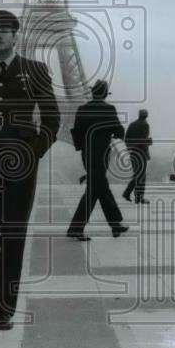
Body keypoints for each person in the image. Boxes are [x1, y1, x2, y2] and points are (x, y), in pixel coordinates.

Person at [0, 10, 59, 331]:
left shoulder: (35, 70)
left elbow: (52, 120)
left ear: (15, 35)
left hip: (21, 164)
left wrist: (33, 155)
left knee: (14, 234)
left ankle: (5, 307)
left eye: (4, 30)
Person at [67, 80, 129, 241]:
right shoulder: (109, 109)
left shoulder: (82, 109)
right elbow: (119, 131)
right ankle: (77, 228)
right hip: (102, 153)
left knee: (98, 187)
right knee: (97, 188)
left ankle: (115, 226)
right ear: (104, 94)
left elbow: (76, 133)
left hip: (87, 154)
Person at [122, 109, 151, 204]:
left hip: (133, 152)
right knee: (141, 176)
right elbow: (144, 140)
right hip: (141, 152)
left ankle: (127, 193)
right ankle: (139, 197)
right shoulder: (145, 125)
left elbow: (126, 139)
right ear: (146, 116)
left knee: (137, 174)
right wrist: (149, 142)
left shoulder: (132, 124)